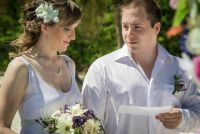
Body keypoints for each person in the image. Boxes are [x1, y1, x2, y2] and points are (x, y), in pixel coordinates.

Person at [82, 0, 200, 134]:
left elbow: (197, 111)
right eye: (125, 27)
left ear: (156, 28)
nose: (129, 34)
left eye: (137, 27)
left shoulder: (181, 68)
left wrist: (182, 119)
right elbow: (88, 124)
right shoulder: (101, 69)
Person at [0, 0, 82, 133]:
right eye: (67, 28)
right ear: (45, 28)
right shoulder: (21, 68)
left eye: (75, 28)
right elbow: (1, 127)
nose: (73, 36)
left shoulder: (69, 64)